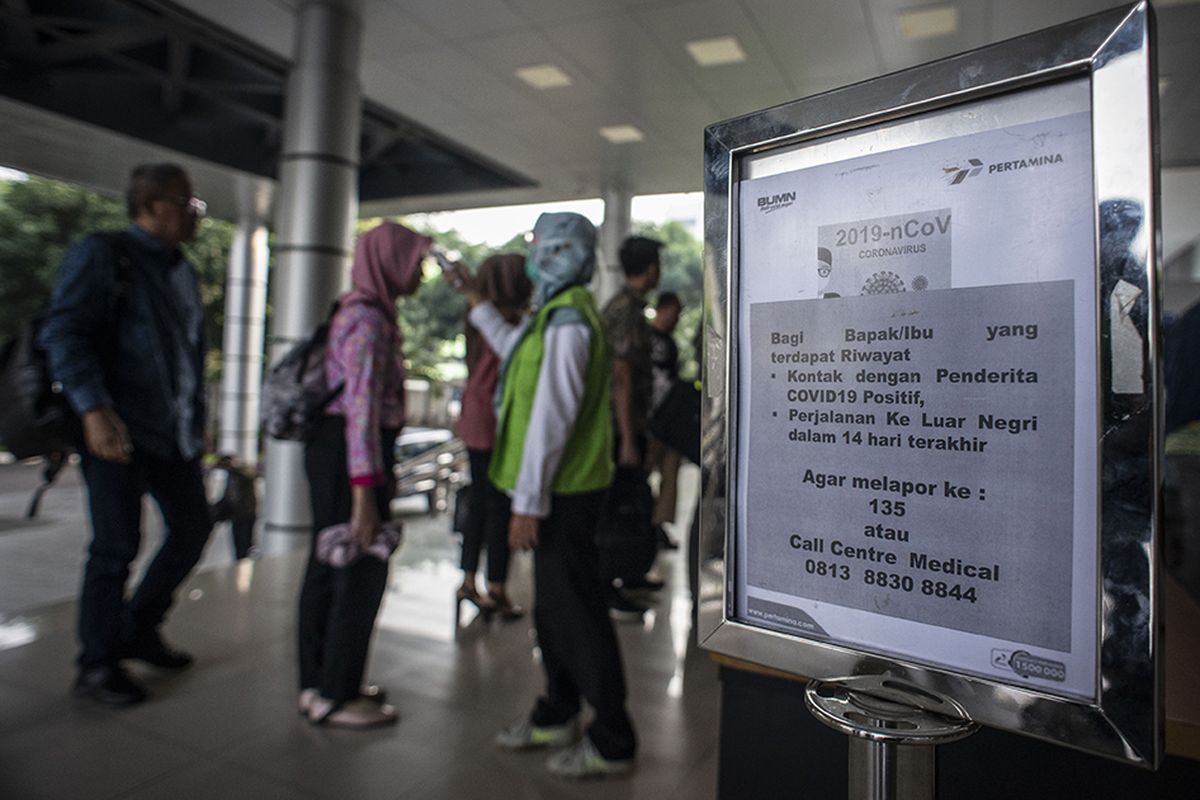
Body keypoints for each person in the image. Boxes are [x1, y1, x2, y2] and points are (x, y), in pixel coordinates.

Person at [447, 212, 637, 778]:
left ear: (570, 255)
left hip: (564, 491)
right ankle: (557, 709)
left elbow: (551, 419)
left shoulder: (569, 321)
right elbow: (513, 351)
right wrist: (475, 299)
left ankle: (613, 736)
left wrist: (528, 504)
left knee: (575, 611)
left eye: (549, 247)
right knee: (554, 611)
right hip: (555, 488)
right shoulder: (551, 316)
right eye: (537, 245)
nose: (538, 256)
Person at [40, 163, 212, 706]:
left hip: (172, 434)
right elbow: (63, 332)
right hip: (115, 429)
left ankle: (139, 626)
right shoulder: (103, 253)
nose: (194, 215)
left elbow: (187, 358)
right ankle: (97, 664)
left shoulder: (183, 270)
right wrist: (92, 409)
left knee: (193, 528)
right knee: (116, 547)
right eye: (188, 203)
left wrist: (197, 421)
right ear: (152, 204)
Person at [297, 221, 430, 729]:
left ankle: (319, 686)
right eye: (414, 260)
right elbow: (360, 416)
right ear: (389, 261)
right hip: (354, 457)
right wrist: (364, 496)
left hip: (338, 454)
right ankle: (337, 693)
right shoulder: (370, 323)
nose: (420, 271)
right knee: (360, 568)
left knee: (329, 566)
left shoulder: (359, 311)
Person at [455, 253, 532, 621]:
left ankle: (468, 579)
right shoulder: (512, 322)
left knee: (478, 503)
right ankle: (497, 587)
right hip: (497, 421)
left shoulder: (476, 316)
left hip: (473, 418)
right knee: (499, 507)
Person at [600, 234, 665, 618]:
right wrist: (627, 437)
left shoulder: (629, 306)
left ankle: (627, 575)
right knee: (619, 507)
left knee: (631, 503)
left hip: (628, 423)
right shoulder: (626, 309)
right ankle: (609, 583)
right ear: (652, 268)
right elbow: (621, 375)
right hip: (620, 426)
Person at [646, 291, 683, 550]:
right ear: (662, 309)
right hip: (647, 421)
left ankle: (658, 524)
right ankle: (643, 522)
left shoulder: (670, 344)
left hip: (668, 421)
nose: (677, 319)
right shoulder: (645, 339)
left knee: (671, 474)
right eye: (674, 312)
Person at [206, 454, 258, 560]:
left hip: (244, 515)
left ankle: (243, 567)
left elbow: (234, 497)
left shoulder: (241, 474)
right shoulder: (233, 475)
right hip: (241, 515)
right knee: (240, 546)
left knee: (243, 546)